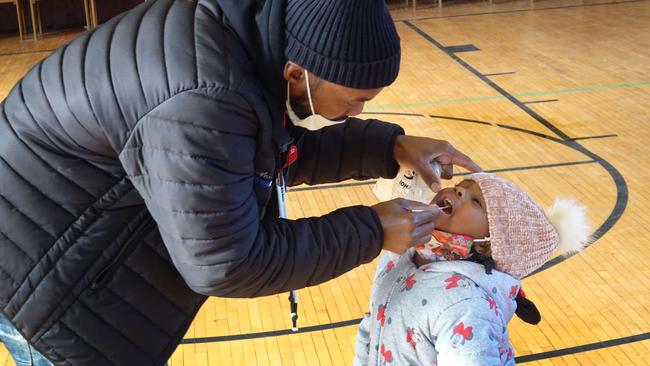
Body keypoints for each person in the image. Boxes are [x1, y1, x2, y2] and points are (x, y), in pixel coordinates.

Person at [0, 0, 481, 364]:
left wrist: (389, 146)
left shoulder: (250, 39)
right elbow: (226, 261)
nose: (360, 111)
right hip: (52, 279)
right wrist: (371, 230)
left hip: (73, 233)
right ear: (297, 73)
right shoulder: (202, 98)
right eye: (356, 101)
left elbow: (257, 147)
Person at [354, 173, 590, 365]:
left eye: (476, 201)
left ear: (489, 244)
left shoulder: (465, 304)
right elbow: (372, 325)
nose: (459, 191)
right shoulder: (398, 256)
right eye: (459, 186)